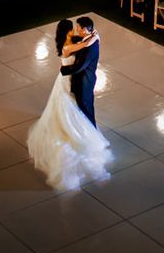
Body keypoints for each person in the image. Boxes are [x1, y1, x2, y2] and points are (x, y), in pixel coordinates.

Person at [26, 18, 111, 190]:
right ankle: (77, 133)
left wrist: (92, 37)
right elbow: (84, 47)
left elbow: (85, 43)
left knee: (75, 107)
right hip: (67, 81)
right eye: (72, 29)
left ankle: (83, 128)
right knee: (69, 108)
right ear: (67, 32)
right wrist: (93, 37)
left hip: (71, 80)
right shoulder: (68, 47)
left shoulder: (72, 41)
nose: (75, 31)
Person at [61, 15, 101, 127]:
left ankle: (91, 132)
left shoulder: (90, 47)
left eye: (78, 27)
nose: (76, 29)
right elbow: (80, 40)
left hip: (84, 82)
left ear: (84, 29)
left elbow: (79, 66)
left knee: (85, 108)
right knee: (84, 107)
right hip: (84, 80)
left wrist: (63, 69)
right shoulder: (90, 38)